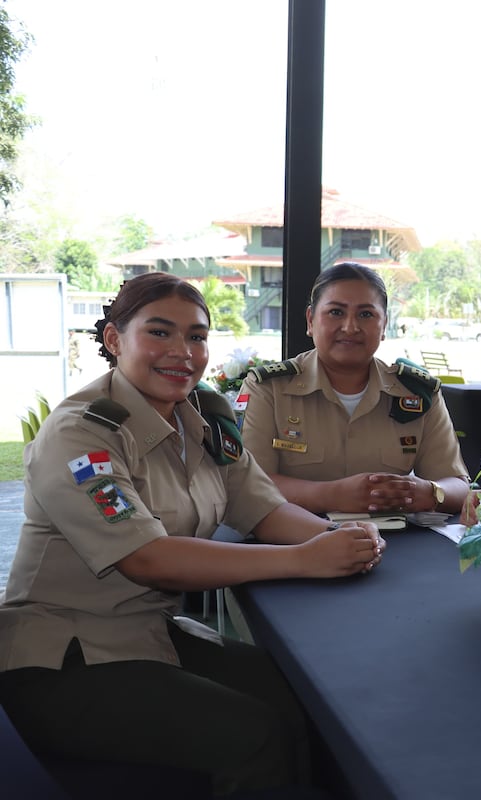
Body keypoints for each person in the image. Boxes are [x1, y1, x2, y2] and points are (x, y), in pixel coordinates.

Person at [0, 272, 386, 794]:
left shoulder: (204, 415)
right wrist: (305, 559)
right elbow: (148, 559)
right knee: (254, 735)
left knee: (307, 698)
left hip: (151, 635)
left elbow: (263, 510)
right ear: (115, 340)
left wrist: (342, 540)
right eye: (159, 333)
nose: (183, 352)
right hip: (62, 660)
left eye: (197, 336)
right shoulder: (81, 434)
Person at [241, 262, 469, 516]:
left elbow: (458, 486)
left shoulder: (417, 393)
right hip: (292, 542)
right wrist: (332, 496)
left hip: (397, 542)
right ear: (310, 320)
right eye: (336, 312)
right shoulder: (269, 388)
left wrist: (427, 492)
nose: (350, 327)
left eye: (366, 314)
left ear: (384, 326)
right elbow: (249, 484)